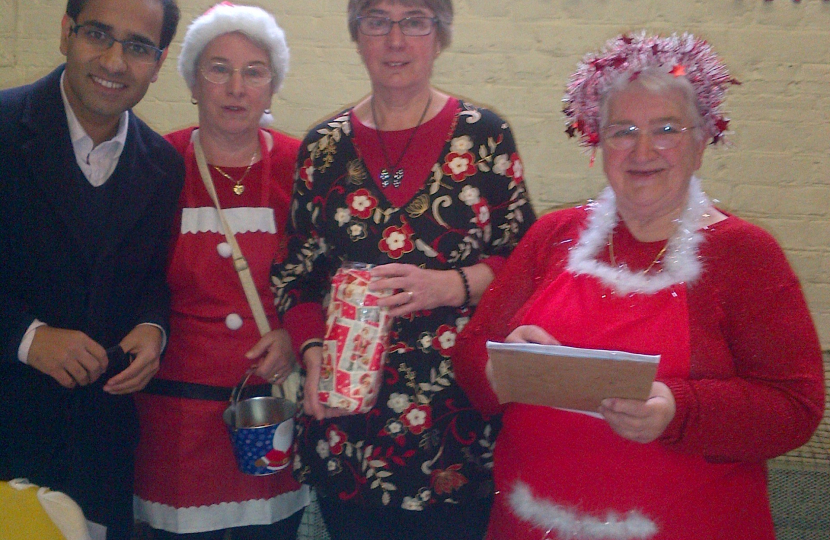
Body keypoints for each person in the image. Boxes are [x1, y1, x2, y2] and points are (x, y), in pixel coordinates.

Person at [453, 32, 826, 540]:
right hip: (529, 523)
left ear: (701, 142)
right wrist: (499, 369)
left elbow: (795, 407)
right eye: (622, 131)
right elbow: (471, 352)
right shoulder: (551, 236)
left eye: (666, 129)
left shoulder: (744, 253)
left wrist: (678, 410)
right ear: (599, 143)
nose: (643, 150)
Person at [270, 1, 535, 538]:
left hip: (455, 426)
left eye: (414, 20)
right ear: (357, 33)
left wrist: (452, 285)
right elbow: (296, 276)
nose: (395, 39)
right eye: (377, 20)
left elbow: (528, 262)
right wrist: (312, 353)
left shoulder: (485, 137)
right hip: (350, 427)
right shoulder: (322, 148)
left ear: (439, 34)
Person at [0, 0, 183, 538]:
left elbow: (150, 278)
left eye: (138, 46)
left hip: (100, 450)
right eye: (98, 34)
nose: (114, 61)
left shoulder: (162, 163)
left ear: (158, 61)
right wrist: (25, 337)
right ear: (66, 33)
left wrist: (153, 326)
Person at [132, 4, 310, 539]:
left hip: (270, 411)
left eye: (254, 72)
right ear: (193, 82)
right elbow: (130, 277)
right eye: (218, 69)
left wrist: (296, 334)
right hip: (174, 424)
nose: (236, 87)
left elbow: (326, 275)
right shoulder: (156, 163)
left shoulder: (303, 167)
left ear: (272, 87)